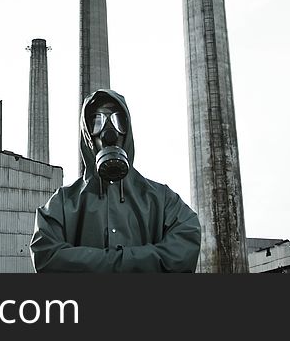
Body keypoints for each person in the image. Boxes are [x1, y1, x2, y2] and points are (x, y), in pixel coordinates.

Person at [30, 88, 201, 272]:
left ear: (128, 130)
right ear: (88, 134)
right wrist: (140, 262)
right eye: (97, 122)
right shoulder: (63, 202)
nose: (109, 132)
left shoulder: (162, 199)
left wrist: (92, 262)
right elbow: (45, 255)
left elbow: (184, 249)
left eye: (118, 121)